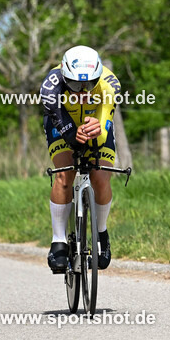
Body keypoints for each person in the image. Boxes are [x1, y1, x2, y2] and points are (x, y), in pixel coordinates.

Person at [41, 44, 121, 273]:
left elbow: (103, 132)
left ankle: (101, 232)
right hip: (62, 123)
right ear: (64, 75)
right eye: (76, 85)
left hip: (95, 122)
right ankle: (58, 241)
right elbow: (66, 130)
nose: (83, 91)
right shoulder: (50, 88)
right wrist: (73, 135)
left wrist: (97, 130)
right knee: (64, 175)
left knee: (101, 177)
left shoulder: (110, 85)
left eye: (90, 84)